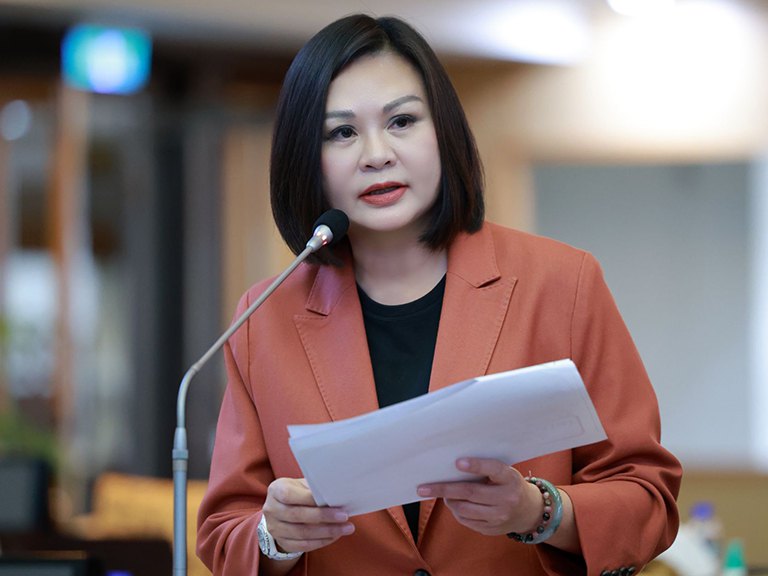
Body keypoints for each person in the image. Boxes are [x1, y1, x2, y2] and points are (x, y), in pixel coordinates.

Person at [197, 13, 681, 576]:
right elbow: (224, 532)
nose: (376, 154)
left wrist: (538, 511)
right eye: (342, 133)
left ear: (443, 132)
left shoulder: (563, 283)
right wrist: (274, 536)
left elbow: (648, 500)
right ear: (307, 158)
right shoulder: (265, 317)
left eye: (402, 121)